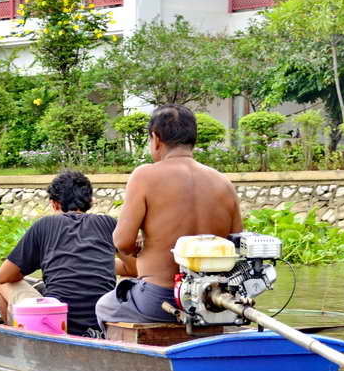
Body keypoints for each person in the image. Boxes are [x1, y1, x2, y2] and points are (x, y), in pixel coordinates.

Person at [95, 104, 243, 332]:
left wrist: (141, 245)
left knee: (104, 306)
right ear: (193, 138)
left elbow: (122, 242)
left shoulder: (144, 175)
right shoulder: (223, 183)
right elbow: (237, 246)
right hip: (212, 301)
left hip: (159, 299)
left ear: (155, 139)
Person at [0, 171, 125, 338]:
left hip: (55, 320)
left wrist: (44, 260)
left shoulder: (44, 225)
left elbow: (5, 277)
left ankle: (14, 338)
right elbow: (133, 268)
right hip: (99, 324)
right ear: (90, 201)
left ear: (54, 204)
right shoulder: (108, 223)